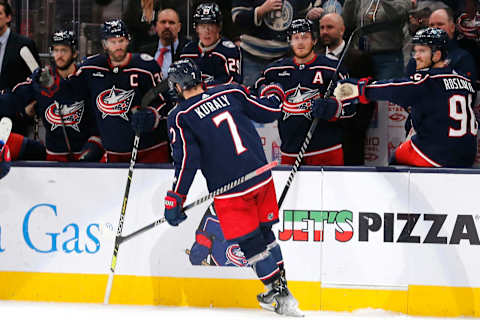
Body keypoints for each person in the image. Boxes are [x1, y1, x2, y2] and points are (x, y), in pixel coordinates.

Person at [162, 58, 303, 317]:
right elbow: (269, 111)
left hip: (232, 191)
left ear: (178, 87)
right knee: (265, 236)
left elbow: (187, 162)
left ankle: (282, 297)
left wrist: (175, 198)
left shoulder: (180, 116)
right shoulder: (231, 90)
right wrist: (274, 93)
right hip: (262, 179)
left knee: (251, 246)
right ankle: (279, 290)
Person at [335, 28, 478, 168]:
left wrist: (360, 89)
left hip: (435, 155)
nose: (416, 56)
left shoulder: (427, 79)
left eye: (422, 51)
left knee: (397, 157)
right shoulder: (464, 79)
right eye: (415, 51)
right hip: (467, 156)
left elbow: (393, 88)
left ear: (437, 54)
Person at [33, 19, 170, 163]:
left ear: (128, 41)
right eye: (113, 42)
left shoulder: (146, 66)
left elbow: (167, 103)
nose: (118, 46)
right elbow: (70, 93)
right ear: (104, 44)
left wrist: (153, 115)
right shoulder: (91, 68)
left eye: (121, 40)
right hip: (113, 153)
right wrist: (47, 85)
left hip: (151, 151)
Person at [255, 19, 348, 166]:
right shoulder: (274, 70)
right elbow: (255, 90)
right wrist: (265, 91)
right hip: (290, 152)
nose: (300, 42)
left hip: (326, 151)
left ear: (314, 40)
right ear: (289, 41)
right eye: (295, 38)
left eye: (305, 37)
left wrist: (333, 107)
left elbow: (351, 105)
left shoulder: (332, 68)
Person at [0, 30, 103, 162]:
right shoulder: (41, 79)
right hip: (53, 159)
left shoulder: (86, 79)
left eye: (64, 50)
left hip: (86, 157)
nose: (59, 55)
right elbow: (13, 99)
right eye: (56, 50)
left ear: (75, 53)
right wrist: (26, 110)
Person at [319, 13, 376, 165]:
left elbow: (367, 100)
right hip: (320, 138)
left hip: (350, 137)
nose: (324, 31)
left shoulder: (359, 59)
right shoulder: (315, 58)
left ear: (342, 30)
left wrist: (358, 130)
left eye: (329, 27)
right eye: (322, 27)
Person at [232, 0, 323, 87]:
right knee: (250, 96)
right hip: (252, 57)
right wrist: (260, 11)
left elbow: (302, 15)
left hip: (285, 58)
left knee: (286, 96)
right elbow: (237, 18)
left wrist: (310, 15)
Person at [342, 0, 411, 80]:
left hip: (388, 56)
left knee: (385, 90)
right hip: (362, 58)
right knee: (362, 90)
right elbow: (347, 22)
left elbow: (398, 14)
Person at [0, 2, 40, 136]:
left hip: (15, 118)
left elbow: (38, 77)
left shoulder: (23, 44)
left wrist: (29, 109)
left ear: (8, 17)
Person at [406, 8, 477, 84]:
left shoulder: (462, 57)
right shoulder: (417, 58)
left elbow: (468, 89)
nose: (435, 28)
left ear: (452, 27)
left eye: (440, 24)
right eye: (431, 25)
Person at [180, 3, 242, 87]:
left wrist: (202, 88)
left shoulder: (229, 51)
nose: (207, 31)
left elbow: (233, 83)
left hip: (220, 97)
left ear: (219, 27)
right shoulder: (188, 50)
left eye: (211, 25)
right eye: (202, 25)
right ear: (197, 28)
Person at [140, 8, 185, 79]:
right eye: (163, 22)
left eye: (171, 22)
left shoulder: (187, 52)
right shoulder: (144, 52)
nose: (167, 26)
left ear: (179, 27)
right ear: (156, 26)